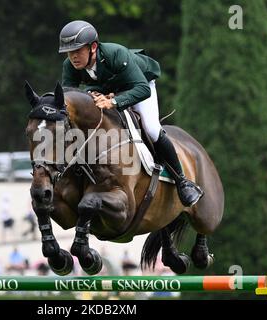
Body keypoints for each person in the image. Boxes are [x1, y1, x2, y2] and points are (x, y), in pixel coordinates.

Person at [59, 20, 203, 207]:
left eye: (77, 51)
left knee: (151, 129)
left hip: (140, 84)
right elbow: (69, 97)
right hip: (110, 87)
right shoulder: (69, 66)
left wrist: (114, 101)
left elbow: (142, 89)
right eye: (70, 52)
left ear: (93, 47)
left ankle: (182, 181)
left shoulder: (115, 54)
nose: (73, 57)